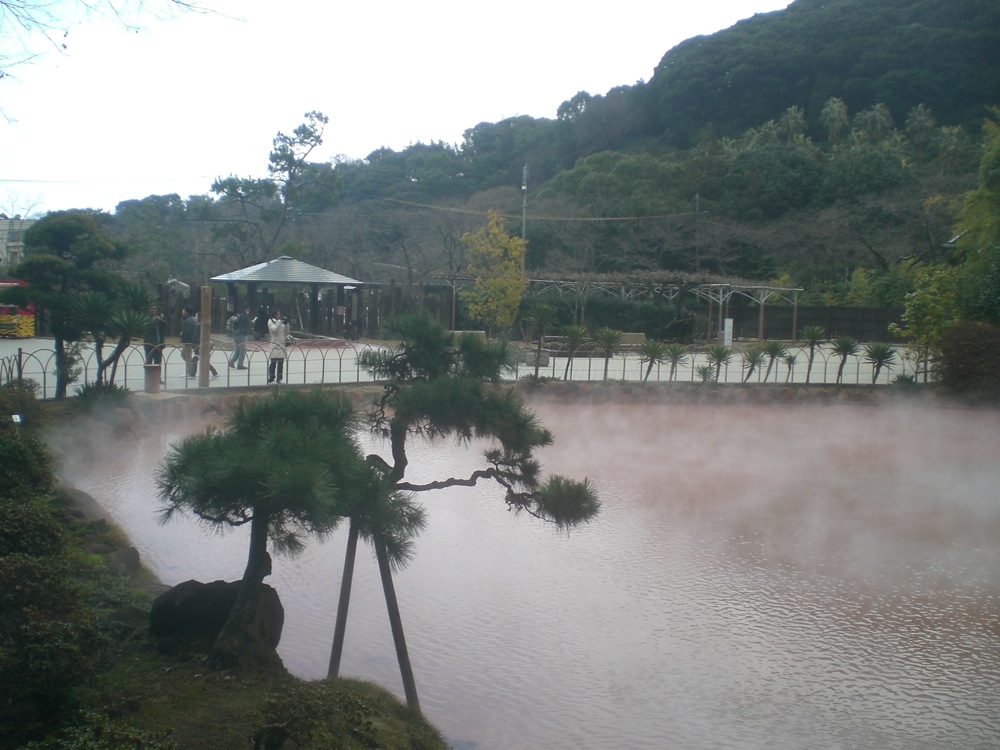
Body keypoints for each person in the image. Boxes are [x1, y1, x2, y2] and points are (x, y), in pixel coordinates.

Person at [192, 312, 219, 380]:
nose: (195, 317)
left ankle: (214, 373)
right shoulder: (200, 325)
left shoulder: (200, 326)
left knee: (202, 361)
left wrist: (198, 345)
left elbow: (200, 337)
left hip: (202, 345)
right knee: (198, 360)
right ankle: (192, 374)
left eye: (196, 316)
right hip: (203, 345)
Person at [267, 308, 289, 384]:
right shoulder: (270, 321)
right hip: (274, 344)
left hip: (281, 343)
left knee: (280, 363)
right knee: (273, 362)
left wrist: (286, 324)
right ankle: (271, 377)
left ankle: (279, 378)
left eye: (279, 314)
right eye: (277, 314)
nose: (279, 316)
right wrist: (279, 321)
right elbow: (274, 329)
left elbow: (286, 331)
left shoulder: (281, 322)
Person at [229, 305, 251, 370]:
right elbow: (249, 324)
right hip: (242, 334)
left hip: (236, 334)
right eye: (248, 309)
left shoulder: (238, 316)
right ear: (246, 309)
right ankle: (240, 364)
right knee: (242, 350)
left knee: (238, 349)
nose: (248, 311)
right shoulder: (245, 316)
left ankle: (232, 361)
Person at [180, 306, 199, 378]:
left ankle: (190, 372)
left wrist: (184, 339)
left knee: (187, 356)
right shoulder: (189, 319)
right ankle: (189, 370)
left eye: (183, 310)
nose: (182, 312)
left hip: (188, 341)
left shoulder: (189, 321)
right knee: (184, 355)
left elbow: (188, 332)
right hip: (188, 341)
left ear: (187, 312)